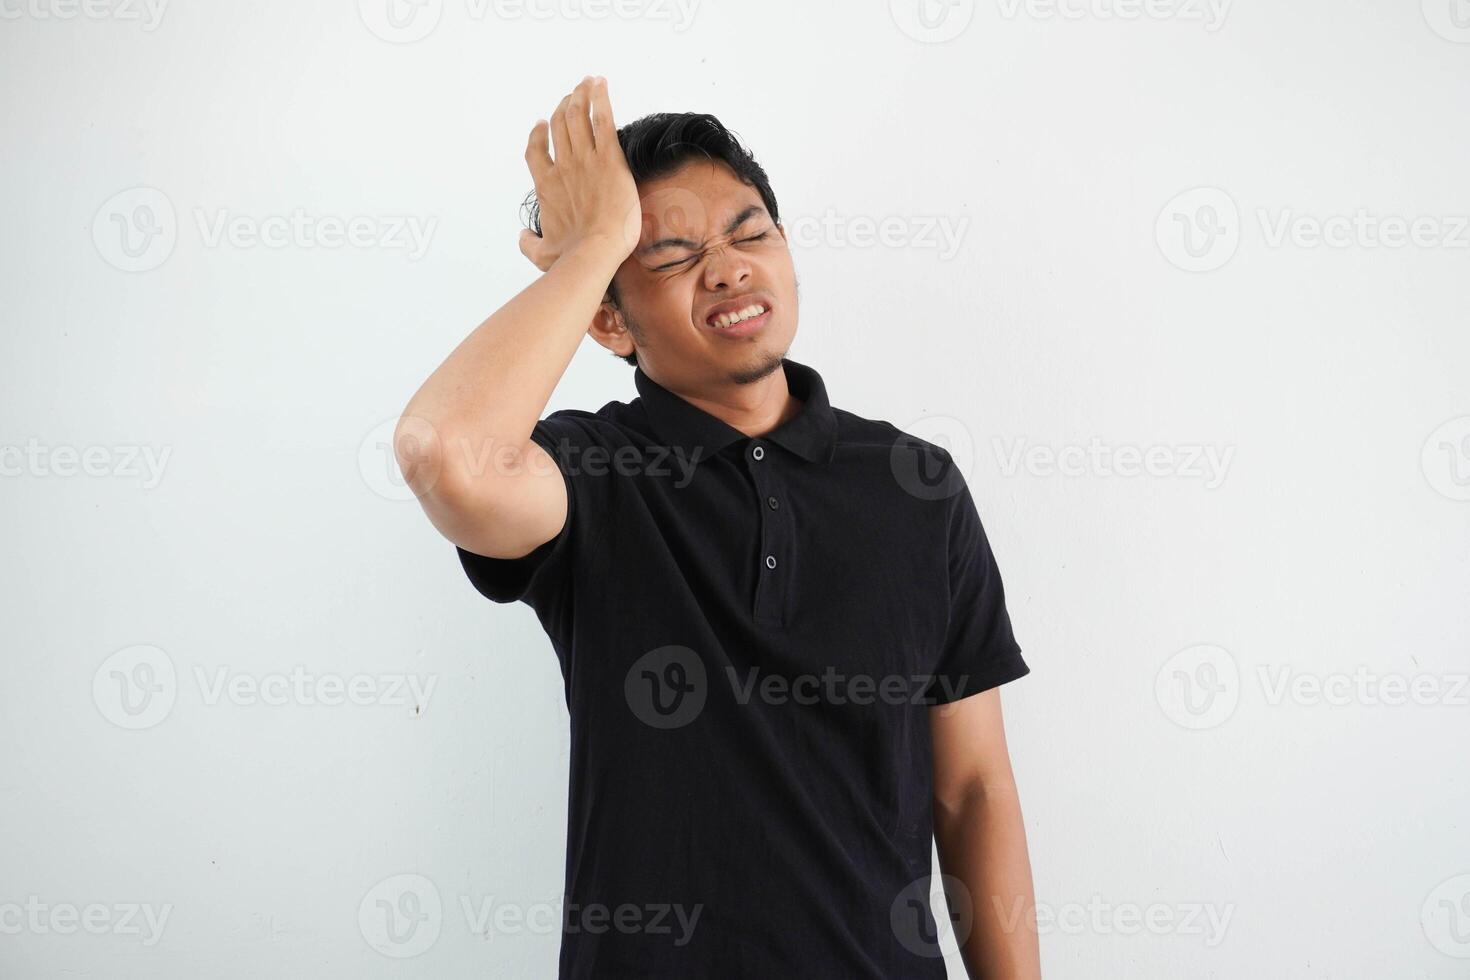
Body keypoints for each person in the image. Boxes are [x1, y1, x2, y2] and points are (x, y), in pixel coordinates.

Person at [395, 74, 1041, 979]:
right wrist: (592, 248)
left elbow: (973, 790)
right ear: (608, 320)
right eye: (669, 256)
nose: (731, 267)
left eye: (750, 232)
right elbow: (445, 455)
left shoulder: (916, 488)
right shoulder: (595, 476)